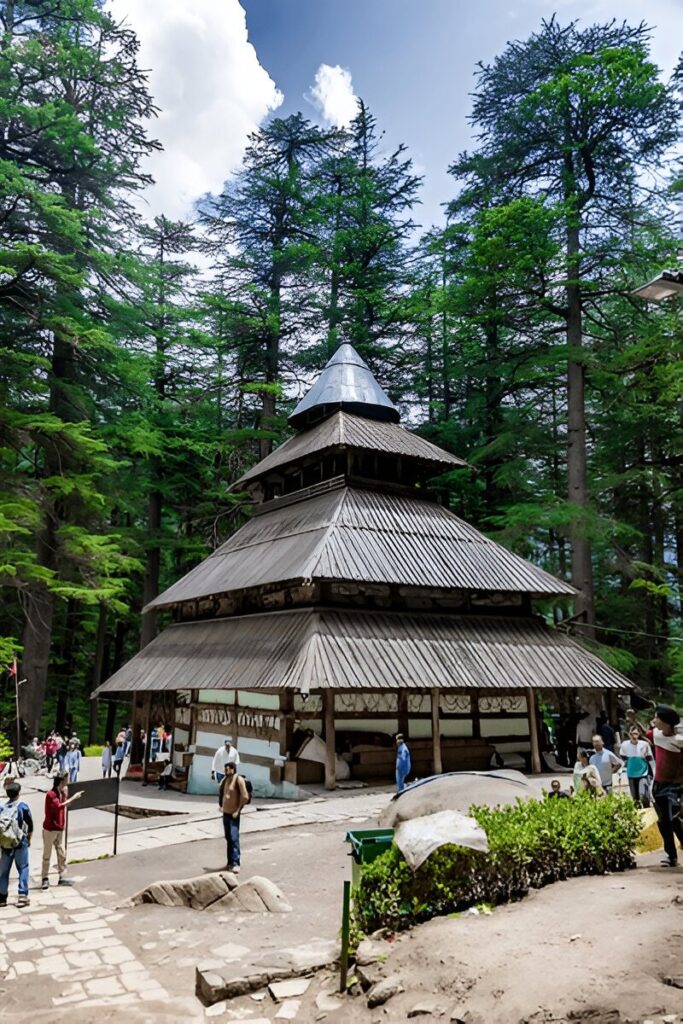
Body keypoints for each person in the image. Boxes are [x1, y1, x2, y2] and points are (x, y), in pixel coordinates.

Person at [646, 705, 683, 868]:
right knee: (663, 821)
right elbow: (645, 734)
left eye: (657, 718)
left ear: (666, 723)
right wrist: (634, 722)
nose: (654, 720)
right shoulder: (657, 735)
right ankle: (671, 855)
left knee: (676, 819)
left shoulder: (679, 741)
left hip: (675, 786)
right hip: (658, 785)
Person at [42, 772, 83, 890]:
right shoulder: (51, 794)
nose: (68, 781)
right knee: (47, 855)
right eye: (66, 779)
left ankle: (62, 876)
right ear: (61, 781)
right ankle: (45, 878)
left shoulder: (63, 793)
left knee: (61, 853)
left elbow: (63, 805)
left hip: (60, 827)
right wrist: (73, 798)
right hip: (50, 829)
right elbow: (58, 806)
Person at [0, 781, 33, 908]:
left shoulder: (2, 807)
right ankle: (22, 895)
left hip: (6, 844)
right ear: (18, 793)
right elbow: (29, 824)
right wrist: (28, 839)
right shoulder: (22, 806)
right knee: (23, 867)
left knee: (3, 871)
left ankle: (2, 897)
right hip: (19, 842)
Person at [218, 760, 249, 873]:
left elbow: (245, 796)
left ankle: (236, 862)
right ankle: (230, 861)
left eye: (227, 769)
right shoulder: (226, 780)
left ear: (232, 769)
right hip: (225, 813)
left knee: (234, 837)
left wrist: (238, 810)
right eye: (225, 769)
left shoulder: (238, 779)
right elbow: (222, 792)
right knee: (228, 838)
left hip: (234, 814)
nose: (225, 771)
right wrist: (221, 805)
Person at [619, 726, 653, 807]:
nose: (633, 736)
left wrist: (644, 756)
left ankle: (647, 811)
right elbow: (622, 755)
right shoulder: (624, 744)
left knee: (644, 795)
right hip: (631, 773)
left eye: (636, 734)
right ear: (629, 734)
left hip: (643, 773)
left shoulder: (644, 744)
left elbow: (650, 757)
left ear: (639, 734)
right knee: (635, 798)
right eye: (632, 734)